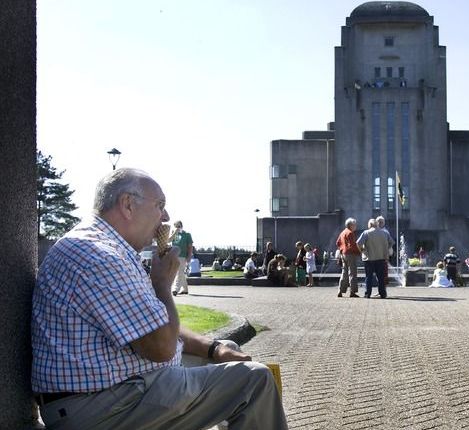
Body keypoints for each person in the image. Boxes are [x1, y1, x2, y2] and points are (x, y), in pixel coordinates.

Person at [31, 168, 287, 430]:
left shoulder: (104, 246)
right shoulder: (100, 256)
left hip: (113, 388)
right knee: (255, 380)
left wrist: (214, 348)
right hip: (102, 406)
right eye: (160, 205)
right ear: (128, 205)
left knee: (228, 350)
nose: (165, 217)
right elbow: (161, 347)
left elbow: (154, 324)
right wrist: (162, 284)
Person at [357, 217, 395, 298]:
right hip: (381, 258)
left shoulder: (366, 233)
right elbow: (392, 242)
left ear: (370, 225)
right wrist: (385, 249)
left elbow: (358, 243)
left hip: (369, 258)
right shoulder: (385, 233)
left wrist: (362, 250)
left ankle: (368, 294)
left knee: (369, 277)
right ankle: (383, 294)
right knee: (381, 277)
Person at [336, 218, 361, 298]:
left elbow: (337, 242)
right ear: (350, 225)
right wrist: (359, 252)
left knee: (344, 272)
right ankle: (352, 292)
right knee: (352, 272)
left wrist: (341, 249)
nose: (355, 226)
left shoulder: (343, 232)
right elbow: (352, 245)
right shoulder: (350, 233)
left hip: (343, 254)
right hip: (350, 254)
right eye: (354, 224)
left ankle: (340, 290)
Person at [170, 220, 193, 296]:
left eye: (179, 226)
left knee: (179, 272)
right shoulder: (174, 234)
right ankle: (185, 289)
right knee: (180, 272)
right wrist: (174, 232)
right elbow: (168, 240)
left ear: (181, 226)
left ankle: (175, 289)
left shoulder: (187, 235)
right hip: (174, 256)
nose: (177, 227)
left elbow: (190, 247)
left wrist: (189, 256)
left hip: (182, 256)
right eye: (176, 226)